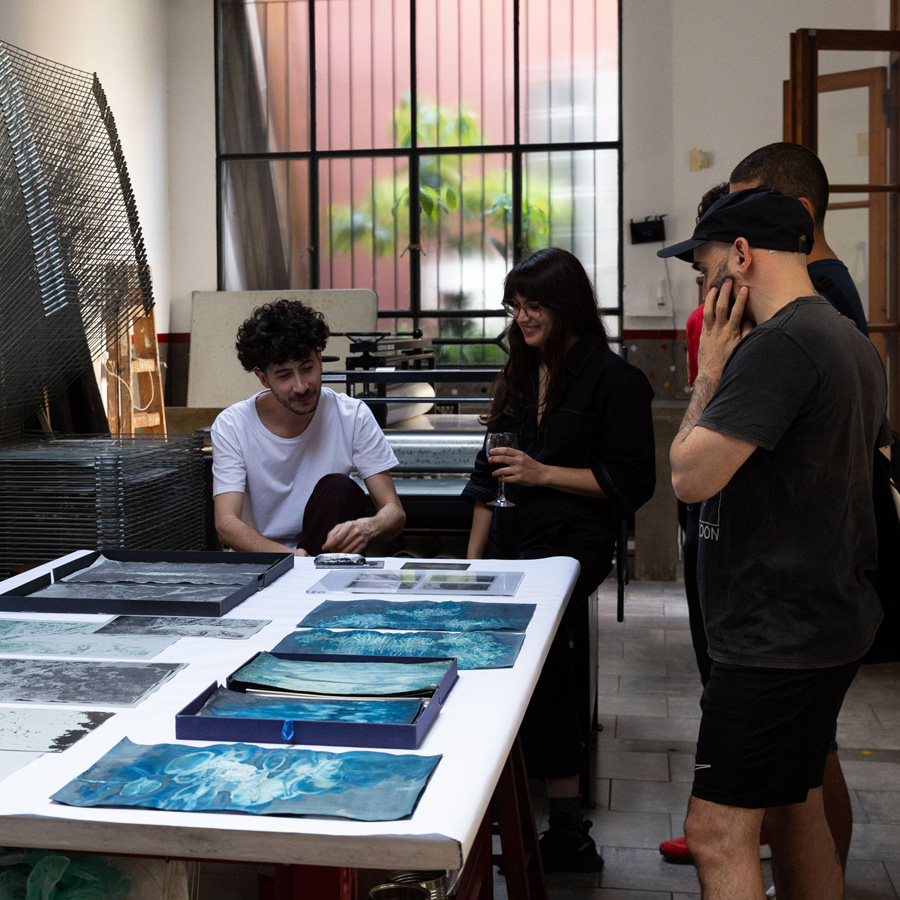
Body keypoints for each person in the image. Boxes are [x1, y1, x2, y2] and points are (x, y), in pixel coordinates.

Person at [658, 187, 889, 900]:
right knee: (795, 809)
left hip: (773, 638)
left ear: (742, 256)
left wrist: (709, 371)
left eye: (706, 270)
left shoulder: (778, 345)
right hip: (823, 623)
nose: (705, 290)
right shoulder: (848, 339)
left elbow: (688, 476)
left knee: (716, 832)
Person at [462, 247, 656, 873]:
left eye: (534, 305)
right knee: (498, 657)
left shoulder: (616, 381)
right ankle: (507, 806)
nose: (522, 317)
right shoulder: (519, 375)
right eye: (516, 306)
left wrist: (543, 473)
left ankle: (565, 824)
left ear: (566, 305)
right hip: (512, 541)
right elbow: (488, 478)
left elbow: (632, 482)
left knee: (545, 660)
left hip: (573, 544)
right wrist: (471, 568)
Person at [211, 299, 405, 556]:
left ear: (320, 359)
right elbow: (226, 524)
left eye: (307, 368)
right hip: (265, 562)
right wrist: (291, 557)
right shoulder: (232, 425)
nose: (301, 386)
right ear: (263, 378)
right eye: (284, 375)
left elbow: (394, 511)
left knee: (339, 488)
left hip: (328, 557)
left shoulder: (352, 415)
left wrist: (368, 527)